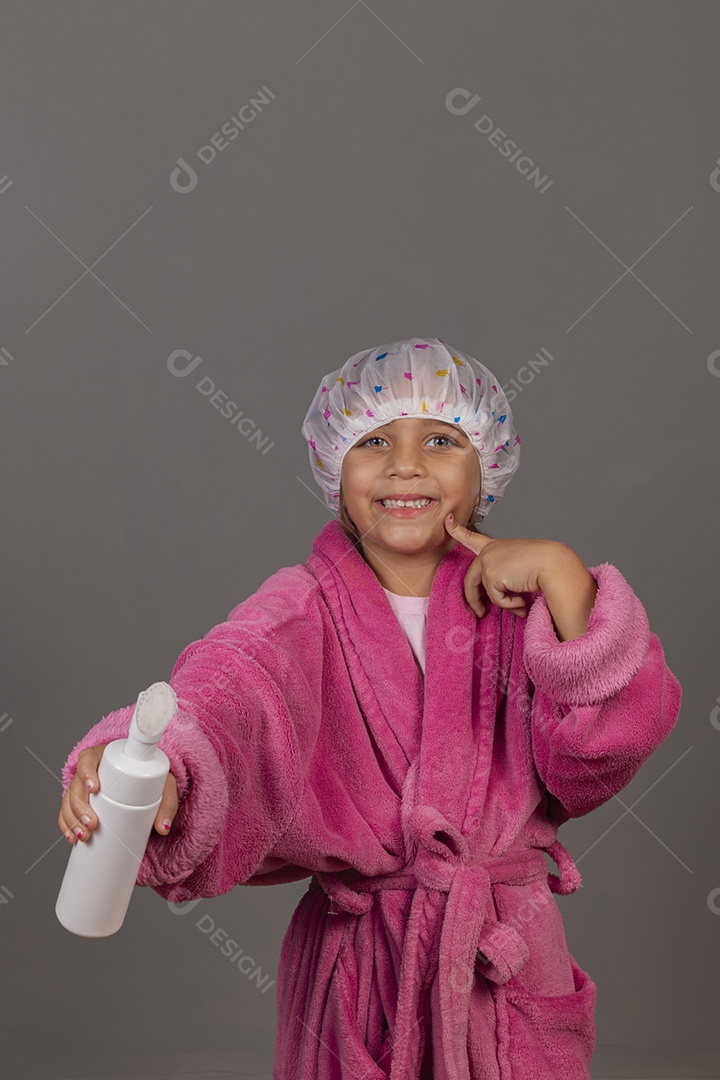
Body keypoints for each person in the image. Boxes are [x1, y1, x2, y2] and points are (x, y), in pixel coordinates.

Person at [58, 335, 682, 1079]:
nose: (405, 462)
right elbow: (228, 690)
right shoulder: (300, 609)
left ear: (486, 467)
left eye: (442, 439)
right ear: (334, 468)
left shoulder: (525, 604)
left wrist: (563, 574)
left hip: (501, 965)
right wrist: (164, 763)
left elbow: (601, 754)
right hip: (361, 973)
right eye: (375, 439)